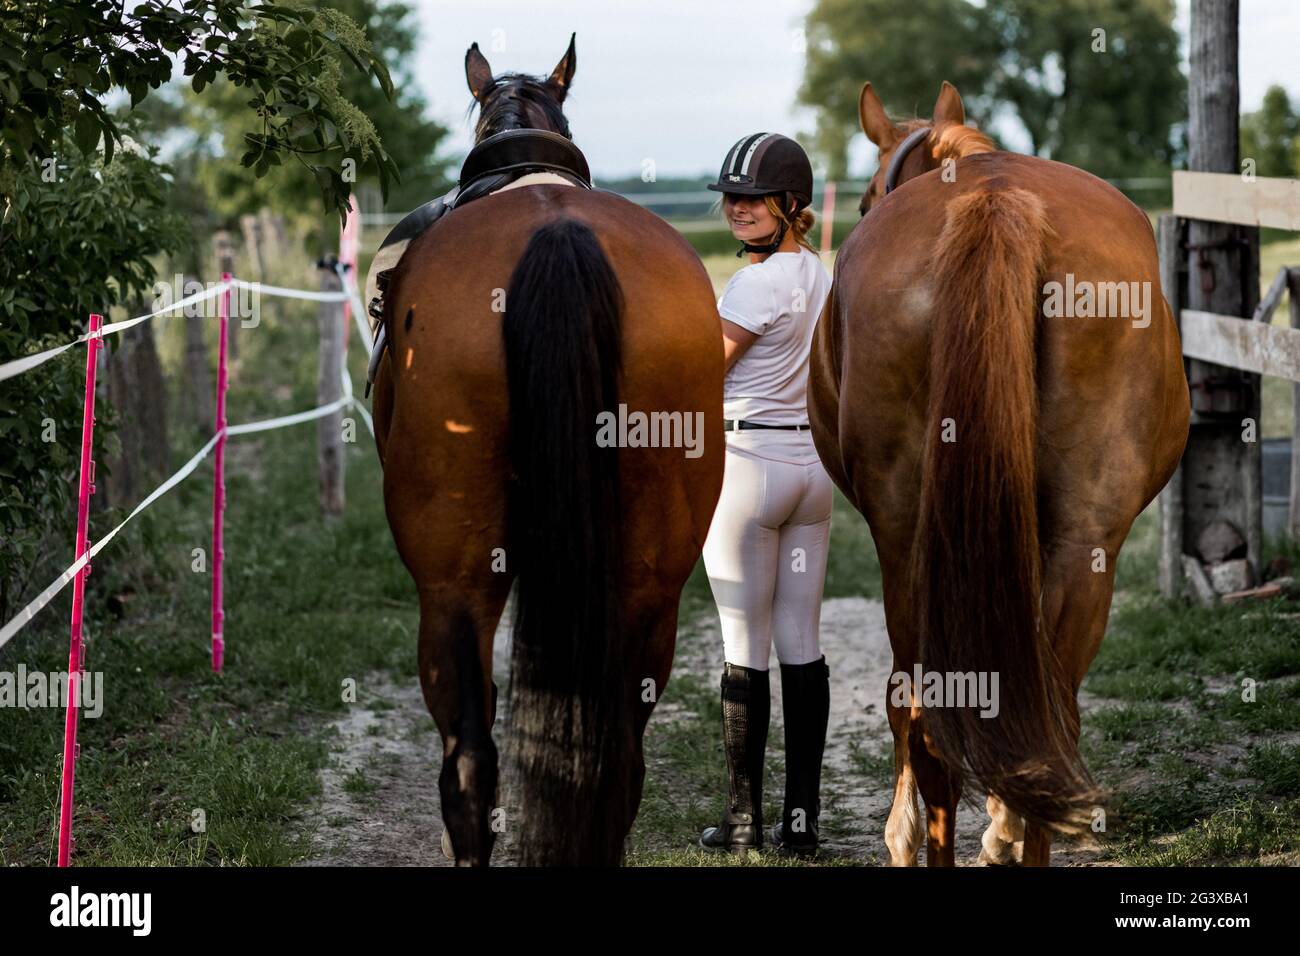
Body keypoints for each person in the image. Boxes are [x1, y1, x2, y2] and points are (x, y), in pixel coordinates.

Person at [698, 133, 834, 854]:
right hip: (811, 473)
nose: (738, 208)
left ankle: (746, 822)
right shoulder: (820, 273)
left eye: (753, 198)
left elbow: (704, 372)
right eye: (732, 197)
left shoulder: (754, 285)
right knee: (801, 644)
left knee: (743, 646)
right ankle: (803, 823)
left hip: (747, 467)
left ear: (789, 204)